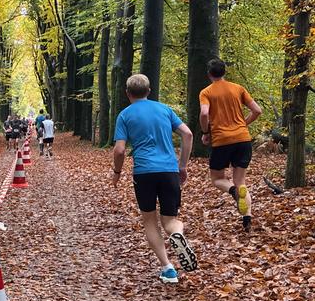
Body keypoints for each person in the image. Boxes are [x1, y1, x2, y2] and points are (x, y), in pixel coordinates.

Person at [111, 73, 197, 283]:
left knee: (150, 220)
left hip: (144, 173)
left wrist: (117, 172)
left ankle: (167, 268)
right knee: (170, 220)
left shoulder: (124, 115)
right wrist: (182, 165)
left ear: (127, 93)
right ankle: (178, 234)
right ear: (149, 91)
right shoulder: (164, 110)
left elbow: (120, 150)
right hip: (169, 171)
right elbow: (187, 134)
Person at [198, 58, 262, 232]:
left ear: (209, 74)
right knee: (241, 181)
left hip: (221, 140)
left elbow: (204, 113)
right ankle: (247, 217)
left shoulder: (206, 92)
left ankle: (233, 192)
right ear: (224, 71)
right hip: (243, 139)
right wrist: (243, 124)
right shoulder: (238, 88)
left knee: (218, 179)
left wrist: (205, 133)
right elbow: (257, 110)